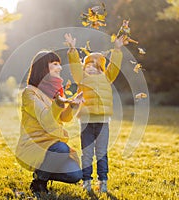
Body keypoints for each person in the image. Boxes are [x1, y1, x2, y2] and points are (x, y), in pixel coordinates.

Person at [15, 50, 84, 197]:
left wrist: (73, 105)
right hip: (35, 144)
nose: (60, 68)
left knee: (75, 175)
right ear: (43, 68)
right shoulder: (29, 93)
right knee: (61, 149)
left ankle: (43, 170)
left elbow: (64, 118)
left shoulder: (56, 92)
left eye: (59, 64)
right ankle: (39, 181)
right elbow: (46, 119)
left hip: (53, 144)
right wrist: (58, 104)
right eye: (55, 64)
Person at [64, 33, 125, 193]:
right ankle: (86, 181)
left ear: (100, 68)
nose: (90, 67)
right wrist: (72, 49)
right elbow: (75, 66)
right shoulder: (82, 78)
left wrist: (117, 49)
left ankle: (103, 181)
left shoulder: (107, 78)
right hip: (86, 122)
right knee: (87, 153)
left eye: (94, 66)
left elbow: (114, 67)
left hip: (103, 122)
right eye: (87, 65)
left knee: (101, 153)